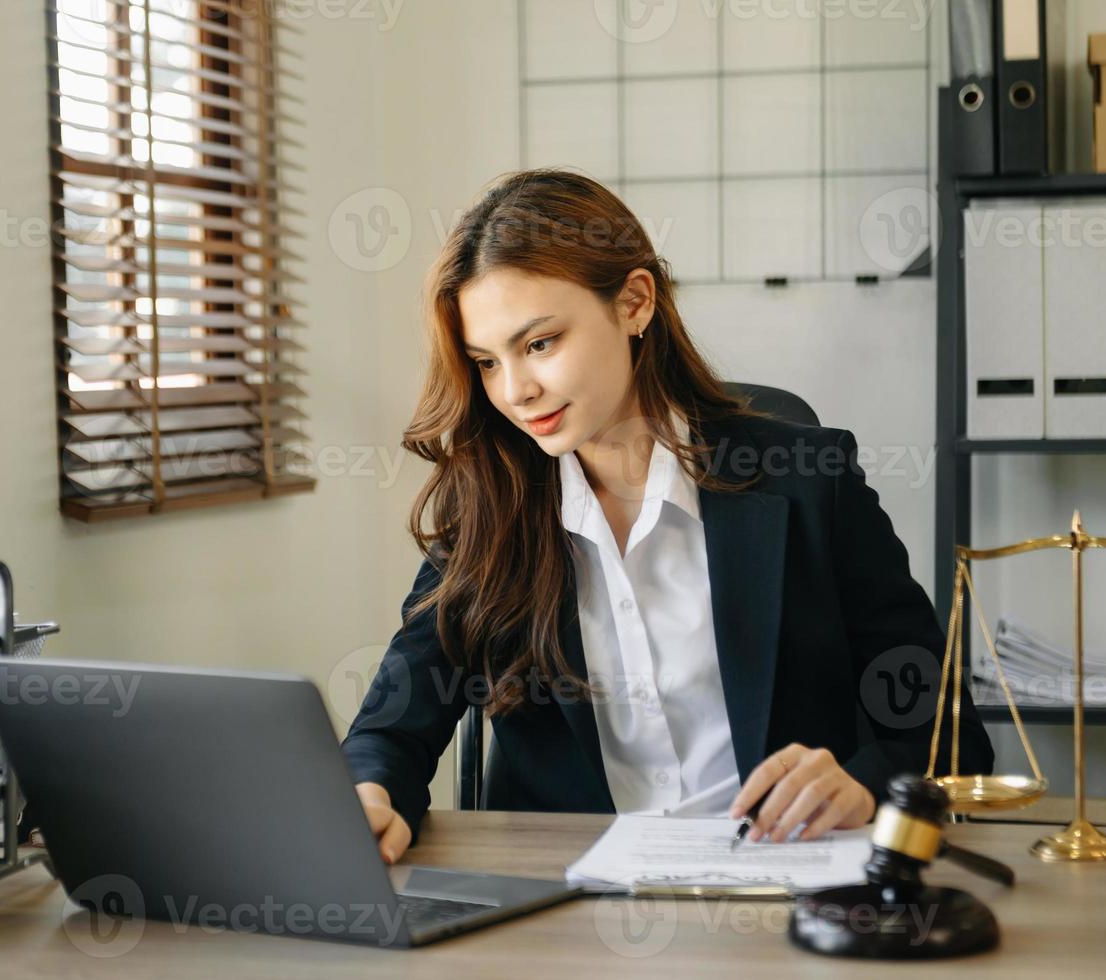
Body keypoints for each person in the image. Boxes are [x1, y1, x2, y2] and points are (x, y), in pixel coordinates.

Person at [342, 169, 993, 865]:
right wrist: (373, 794)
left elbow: (949, 734)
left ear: (634, 302)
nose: (516, 391)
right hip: (565, 905)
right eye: (486, 362)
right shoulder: (489, 507)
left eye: (539, 344)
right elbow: (390, 729)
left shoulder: (810, 480)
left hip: (781, 882)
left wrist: (864, 786)